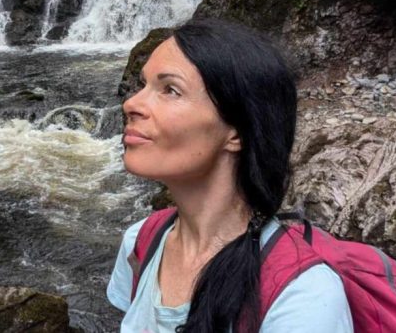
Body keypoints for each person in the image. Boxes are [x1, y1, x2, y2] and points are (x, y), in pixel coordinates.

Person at [107, 18, 354, 332]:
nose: (131, 103)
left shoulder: (304, 297)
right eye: (143, 85)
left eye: (170, 90)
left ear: (236, 132)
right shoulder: (140, 242)